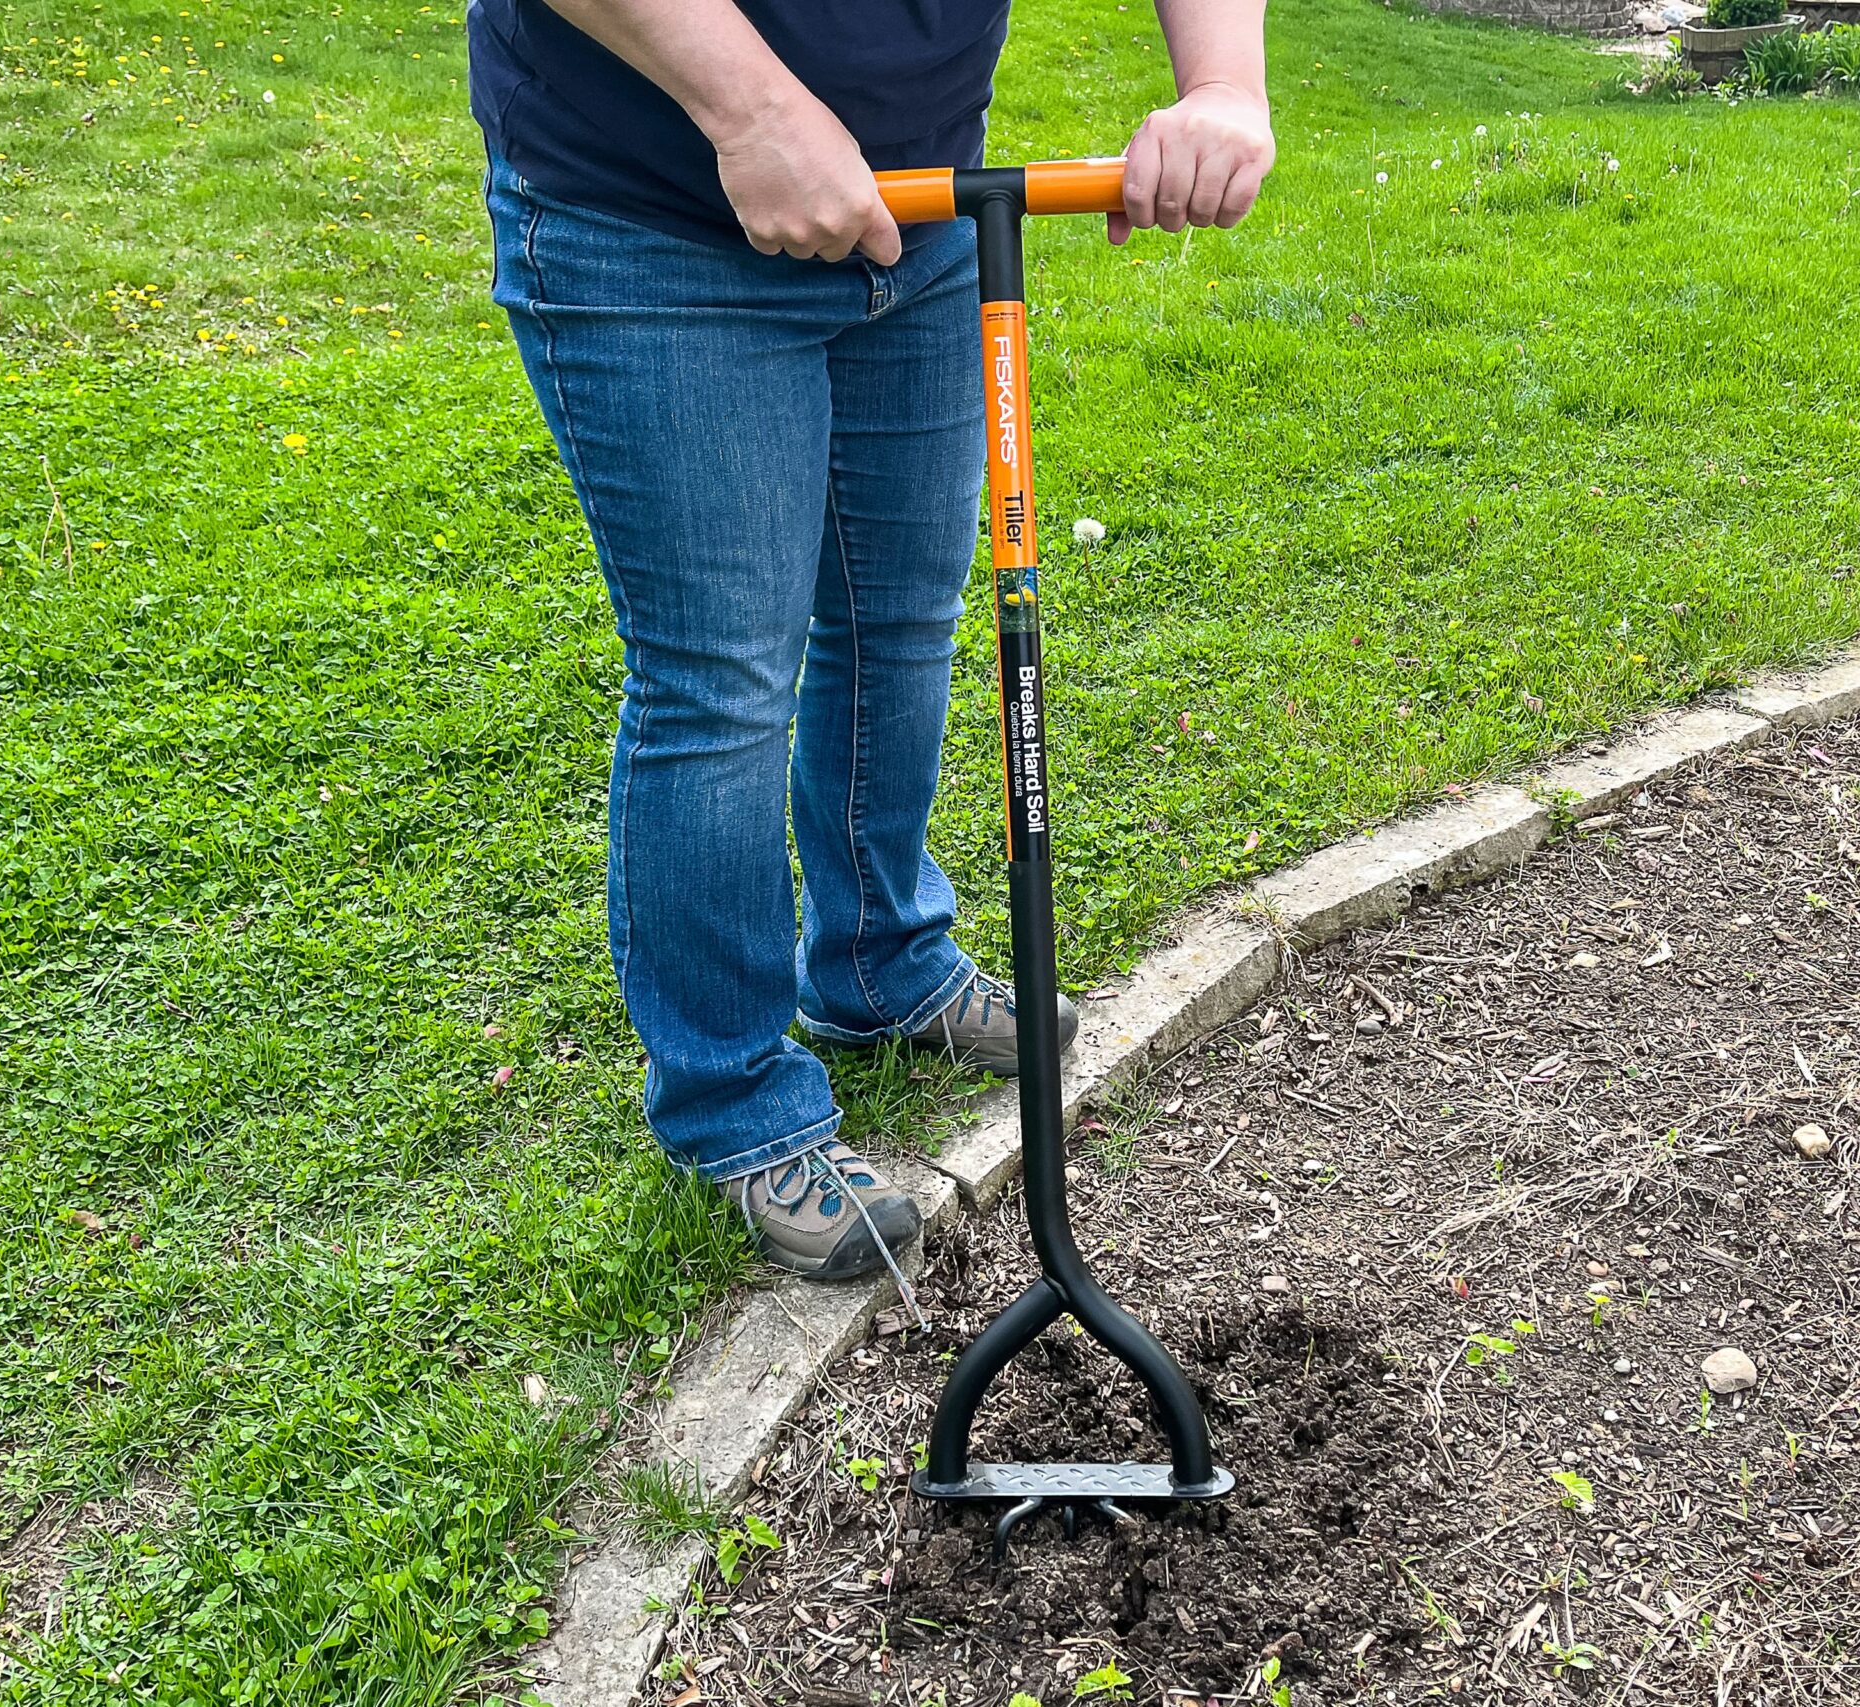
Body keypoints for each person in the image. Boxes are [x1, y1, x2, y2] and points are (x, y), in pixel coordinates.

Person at [467, 0, 1274, 1281]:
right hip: (655, 222)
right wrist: (752, 110)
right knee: (722, 682)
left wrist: (1225, 83)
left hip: (923, 211)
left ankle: (878, 962)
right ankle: (732, 1107)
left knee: (899, 623)